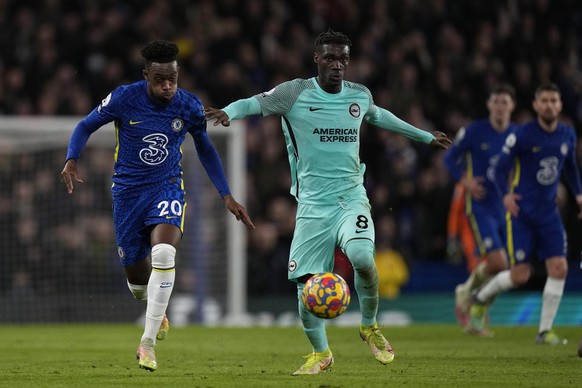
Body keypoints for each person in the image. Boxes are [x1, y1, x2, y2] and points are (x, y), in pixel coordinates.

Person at [205, 29, 451, 375]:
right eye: (331, 58)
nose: (338, 65)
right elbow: (254, 103)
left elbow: (381, 116)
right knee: (307, 287)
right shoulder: (294, 92)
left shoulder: (359, 95)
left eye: (344, 59)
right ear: (316, 59)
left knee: (364, 257)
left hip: (351, 196)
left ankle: (369, 326)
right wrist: (229, 112)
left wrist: (425, 136)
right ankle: (321, 353)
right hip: (312, 207)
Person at [60, 40, 254, 372]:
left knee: (164, 253)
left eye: (173, 80)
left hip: (166, 188)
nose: (168, 87)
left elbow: (205, 149)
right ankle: (156, 306)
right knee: (138, 286)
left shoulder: (188, 106)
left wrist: (226, 195)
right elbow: (85, 125)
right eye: (160, 80)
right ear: (146, 75)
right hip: (127, 194)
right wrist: (71, 159)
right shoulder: (124, 98)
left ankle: (147, 343)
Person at [469, 83, 582, 344]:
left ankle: (544, 331)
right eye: (544, 100)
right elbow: (496, 170)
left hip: (549, 213)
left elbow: (571, 169)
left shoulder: (567, 134)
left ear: (560, 105)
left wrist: (578, 194)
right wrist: (505, 195)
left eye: (554, 100)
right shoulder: (522, 135)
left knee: (559, 267)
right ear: (535, 105)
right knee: (521, 275)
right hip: (521, 213)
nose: (549, 105)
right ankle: (479, 299)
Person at [443, 84, 518, 335]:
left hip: (506, 207)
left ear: (511, 106)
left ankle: (473, 302)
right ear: (489, 105)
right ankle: (472, 299)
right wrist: (465, 181)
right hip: (480, 205)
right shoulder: (474, 132)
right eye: (495, 101)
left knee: (504, 267)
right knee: (499, 262)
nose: (499, 106)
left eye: (504, 102)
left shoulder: (517, 135)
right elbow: (449, 158)